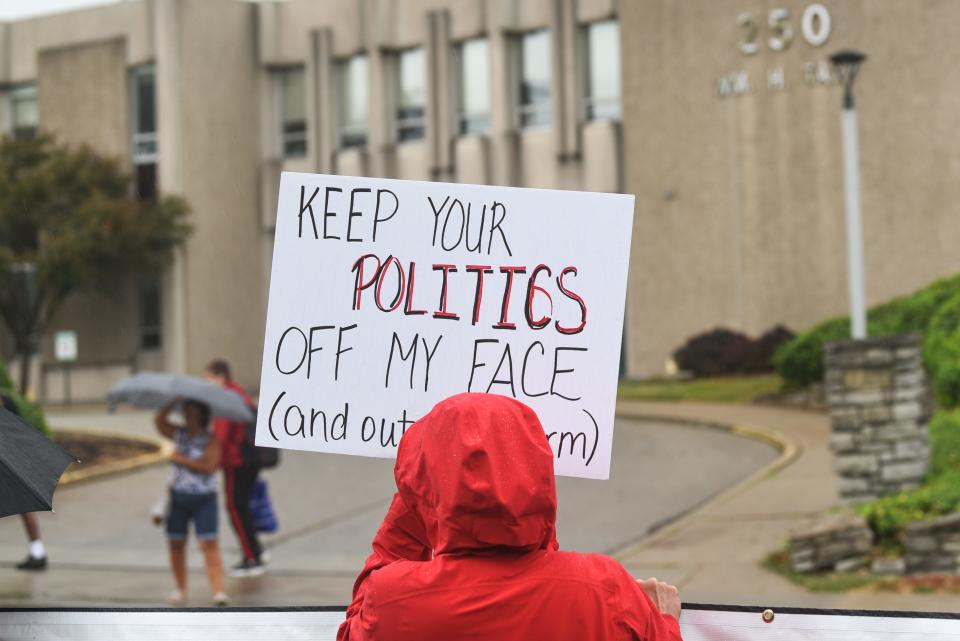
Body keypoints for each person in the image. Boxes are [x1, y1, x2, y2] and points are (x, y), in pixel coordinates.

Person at [338, 393, 683, 641]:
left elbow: (353, 627)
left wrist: (418, 495)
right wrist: (664, 621)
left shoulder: (392, 600)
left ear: (424, 483)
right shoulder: (602, 589)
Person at [155, 397, 229, 606]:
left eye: (193, 412)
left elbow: (209, 467)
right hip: (178, 497)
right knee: (176, 542)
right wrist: (172, 400)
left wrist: (180, 459)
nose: (189, 416)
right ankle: (180, 589)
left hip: (204, 497)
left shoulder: (210, 439)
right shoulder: (179, 434)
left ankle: (218, 591)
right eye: (186, 412)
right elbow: (159, 421)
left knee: (208, 543)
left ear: (202, 415)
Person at [204, 359, 265, 576]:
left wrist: (209, 463)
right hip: (249, 461)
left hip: (236, 463)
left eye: (209, 377)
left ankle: (251, 558)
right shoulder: (239, 393)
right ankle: (255, 550)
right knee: (243, 507)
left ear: (220, 377)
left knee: (235, 508)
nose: (207, 382)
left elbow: (221, 437)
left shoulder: (225, 400)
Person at [1, 393, 49, 571]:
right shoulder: (8, 400)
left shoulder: (6, 401)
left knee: (25, 506)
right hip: (16, 458)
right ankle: (38, 552)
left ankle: (38, 553)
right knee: (25, 506)